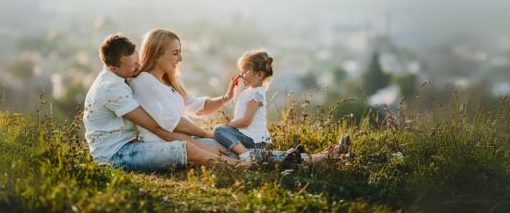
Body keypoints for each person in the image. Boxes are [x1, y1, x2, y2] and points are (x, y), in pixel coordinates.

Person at [83, 33, 243, 172]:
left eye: (137, 60)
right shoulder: (111, 88)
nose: (138, 67)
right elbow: (156, 127)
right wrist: (206, 141)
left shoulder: (123, 78)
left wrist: (225, 99)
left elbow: (191, 105)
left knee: (222, 144)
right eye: (133, 65)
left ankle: (253, 159)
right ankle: (241, 167)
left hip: (132, 145)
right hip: (115, 154)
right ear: (112, 68)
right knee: (186, 149)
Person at [213, 49, 352, 163]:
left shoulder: (254, 95)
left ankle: (246, 155)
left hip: (251, 142)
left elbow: (245, 121)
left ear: (260, 75)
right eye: (241, 71)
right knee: (287, 156)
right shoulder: (253, 93)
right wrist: (229, 95)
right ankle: (334, 152)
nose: (241, 75)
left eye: (245, 71)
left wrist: (227, 125)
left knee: (218, 130)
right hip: (253, 139)